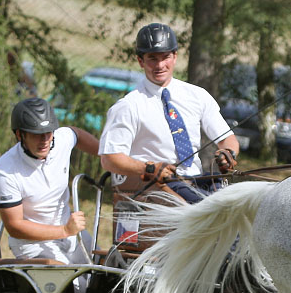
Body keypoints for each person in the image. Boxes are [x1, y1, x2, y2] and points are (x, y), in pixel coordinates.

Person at [99, 22, 239, 208]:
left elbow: (227, 139)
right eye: (152, 58)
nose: (160, 65)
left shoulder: (197, 96)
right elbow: (109, 158)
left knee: (236, 205)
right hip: (157, 185)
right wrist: (149, 168)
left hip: (195, 180)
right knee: (216, 212)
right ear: (140, 61)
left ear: (175, 56)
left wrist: (228, 153)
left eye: (165, 57)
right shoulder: (128, 106)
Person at [0, 97, 99, 268]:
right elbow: (14, 226)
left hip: (69, 233)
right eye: (35, 134)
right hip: (32, 244)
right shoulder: (5, 171)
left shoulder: (60, 140)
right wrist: (64, 231)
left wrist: (106, 155)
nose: (44, 141)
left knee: (106, 272)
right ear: (20, 135)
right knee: (76, 290)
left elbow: (75, 134)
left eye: (48, 133)